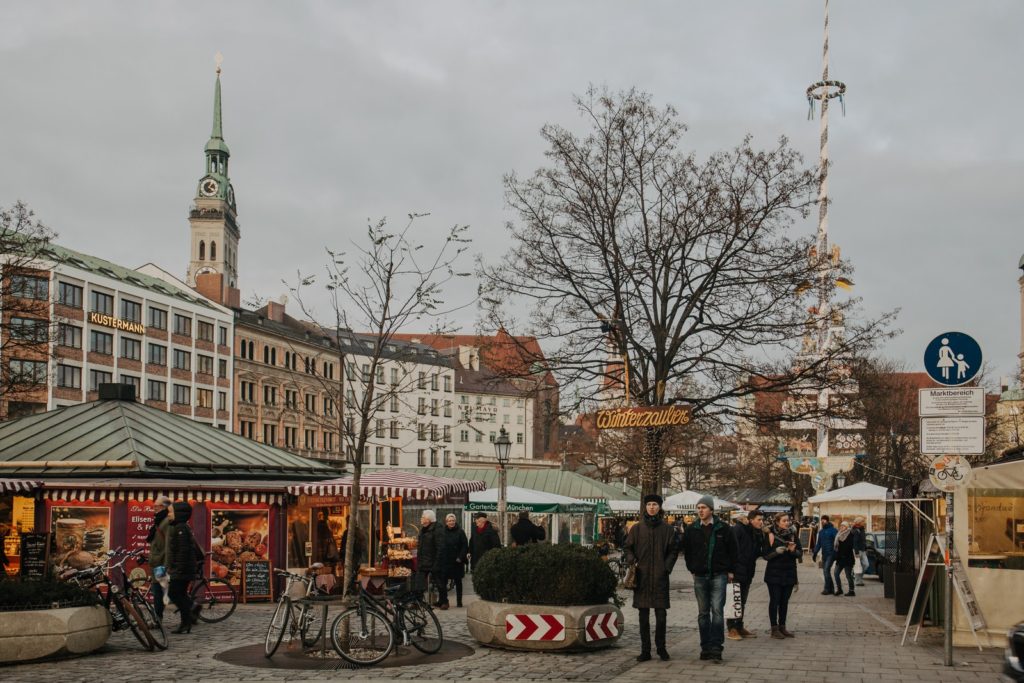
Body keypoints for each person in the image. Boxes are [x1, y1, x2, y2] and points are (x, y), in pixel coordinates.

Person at [622, 494, 679, 662]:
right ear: (645, 507)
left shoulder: (668, 529)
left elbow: (673, 551)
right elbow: (627, 547)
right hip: (642, 578)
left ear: (659, 507)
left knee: (661, 615)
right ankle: (645, 650)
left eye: (655, 504)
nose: (652, 507)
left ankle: (661, 648)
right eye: (649, 504)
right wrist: (632, 560)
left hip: (660, 578)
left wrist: (666, 568)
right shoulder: (637, 528)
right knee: (643, 615)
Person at [682, 495, 738, 662]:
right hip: (699, 576)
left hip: (719, 575)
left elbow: (733, 550)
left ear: (711, 510)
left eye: (704, 507)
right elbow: (687, 551)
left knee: (717, 612)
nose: (700, 510)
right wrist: (692, 568)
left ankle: (716, 648)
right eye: (698, 508)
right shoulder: (692, 529)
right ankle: (705, 647)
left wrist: (731, 570)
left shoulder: (723, 528)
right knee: (703, 613)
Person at [726, 509, 765, 640]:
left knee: (742, 601)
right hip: (736, 571)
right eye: (759, 520)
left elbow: (757, 552)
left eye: (762, 520)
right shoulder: (738, 529)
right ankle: (731, 629)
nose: (761, 522)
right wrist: (730, 570)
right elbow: (730, 549)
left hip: (748, 571)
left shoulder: (755, 532)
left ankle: (739, 626)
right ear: (751, 520)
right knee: (733, 601)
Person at [764, 513, 802, 639]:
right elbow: (765, 555)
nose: (787, 523)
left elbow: (799, 553)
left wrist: (793, 551)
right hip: (774, 574)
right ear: (777, 522)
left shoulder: (793, 535)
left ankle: (782, 627)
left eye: (788, 521)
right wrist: (776, 552)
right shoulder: (770, 535)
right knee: (775, 601)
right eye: (784, 520)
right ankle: (774, 628)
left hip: (789, 573)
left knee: (784, 602)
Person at [167, 502, 200, 634]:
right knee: (180, 594)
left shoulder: (181, 528)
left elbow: (183, 551)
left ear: (178, 514)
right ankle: (188, 617)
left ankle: (187, 619)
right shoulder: (180, 527)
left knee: (174, 593)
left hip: (183, 569)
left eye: (170, 512)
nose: (168, 515)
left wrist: (178, 569)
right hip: (184, 568)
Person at [145, 496, 172, 619]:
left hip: (161, 564)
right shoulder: (160, 521)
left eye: (156, 506)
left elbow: (168, 546)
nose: (154, 508)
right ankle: (192, 608)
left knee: (158, 591)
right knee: (163, 591)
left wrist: (166, 566)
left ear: (163, 507)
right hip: (158, 561)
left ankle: (157, 619)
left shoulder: (165, 522)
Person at [435, 513, 469, 609]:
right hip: (445, 560)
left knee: (458, 581)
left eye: (453, 520)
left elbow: (464, 546)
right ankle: (444, 601)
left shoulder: (460, 532)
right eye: (449, 521)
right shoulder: (442, 532)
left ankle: (459, 601)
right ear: (446, 522)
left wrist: (460, 557)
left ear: (455, 521)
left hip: (457, 561)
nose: (451, 522)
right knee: (443, 582)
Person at [415, 510, 440, 595]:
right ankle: (418, 601)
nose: (421, 519)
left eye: (423, 517)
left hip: (433, 562)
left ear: (428, 520)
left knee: (440, 583)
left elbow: (440, 548)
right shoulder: (423, 530)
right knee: (419, 583)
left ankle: (443, 601)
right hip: (424, 561)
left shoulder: (437, 530)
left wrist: (437, 563)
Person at [812, 515, 838, 595]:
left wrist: (837, 553)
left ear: (827, 521)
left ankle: (827, 588)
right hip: (824, 554)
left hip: (831, 553)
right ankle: (831, 588)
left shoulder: (833, 530)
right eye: (821, 520)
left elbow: (837, 542)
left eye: (824, 520)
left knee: (826, 570)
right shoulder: (821, 532)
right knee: (825, 571)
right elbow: (818, 544)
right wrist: (815, 553)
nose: (822, 522)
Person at [833, 520, 856, 596]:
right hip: (840, 559)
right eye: (841, 526)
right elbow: (837, 547)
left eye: (843, 526)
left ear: (846, 527)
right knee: (836, 573)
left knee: (848, 575)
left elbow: (849, 547)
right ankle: (839, 589)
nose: (841, 527)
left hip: (847, 558)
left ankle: (851, 590)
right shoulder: (839, 535)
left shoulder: (850, 535)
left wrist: (842, 553)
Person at [852, 517, 868, 586]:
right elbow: (855, 542)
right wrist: (856, 552)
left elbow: (864, 541)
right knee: (858, 566)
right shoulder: (855, 530)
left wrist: (865, 548)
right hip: (857, 551)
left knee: (866, 565)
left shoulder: (862, 529)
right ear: (859, 522)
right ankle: (858, 581)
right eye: (863, 521)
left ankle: (857, 576)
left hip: (863, 550)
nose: (864, 522)